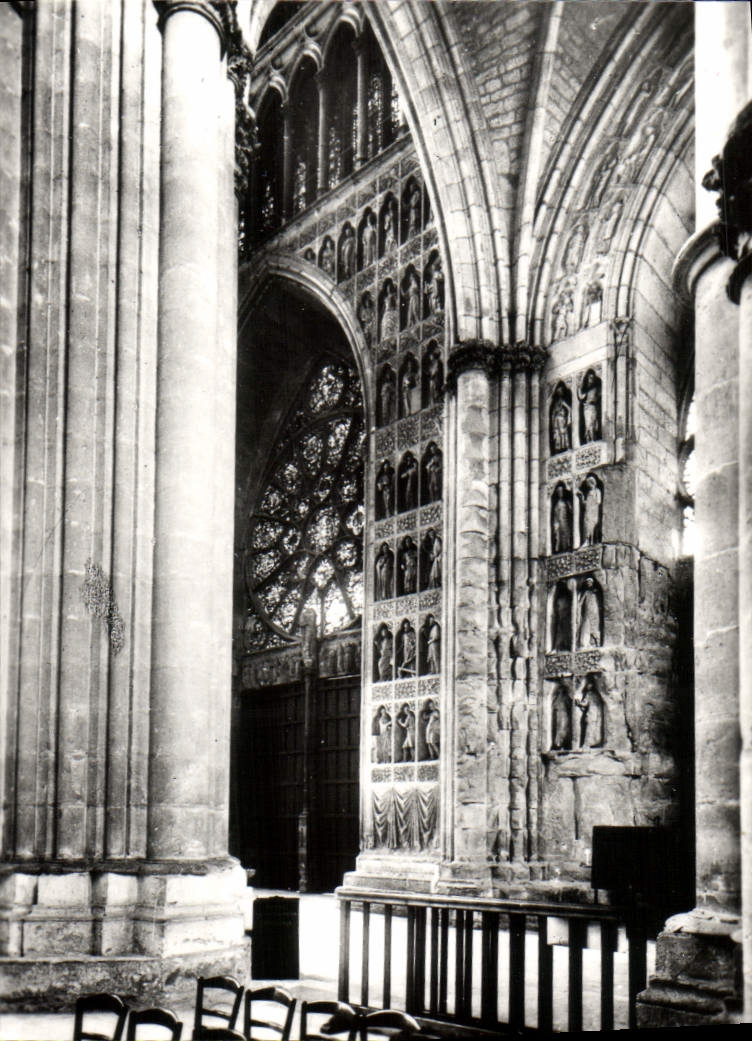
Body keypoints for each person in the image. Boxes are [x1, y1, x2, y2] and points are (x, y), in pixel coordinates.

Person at [577, 577, 601, 648]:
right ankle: (586, 643)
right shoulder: (586, 593)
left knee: (595, 627)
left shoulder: (595, 592)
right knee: (587, 627)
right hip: (588, 612)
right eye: (587, 583)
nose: (589, 584)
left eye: (590, 583)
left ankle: (597, 643)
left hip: (595, 612)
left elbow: (599, 602)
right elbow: (581, 602)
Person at [578, 370, 601, 442]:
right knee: (588, 424)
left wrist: (595, 400)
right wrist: (579, 388)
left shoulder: (596, 388)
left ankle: (593, 438)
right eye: (590, 378)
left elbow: (599, 395)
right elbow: (581, 396)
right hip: (587, 408)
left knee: (594, 423)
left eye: (592, 378)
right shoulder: (586, 390)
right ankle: (589, 440)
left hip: (593, 407)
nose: (591, 379)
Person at [578, 475, 602, 546]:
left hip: (593, 511)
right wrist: (582, 498)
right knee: (586, 525)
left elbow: (598, 501)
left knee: (591, 526)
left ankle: (591, 541)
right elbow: (585, 503)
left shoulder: (597, 491)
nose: (588, 486)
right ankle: (586, 541)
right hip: (588, 511)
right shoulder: (589, 492)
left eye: (588, 484)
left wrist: (591, 504)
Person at [551, 485, 572, 553]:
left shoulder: (566, 502)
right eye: (559, 492)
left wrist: (569, 506)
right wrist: (555, 523)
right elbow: (555, 514)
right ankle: (559, 549)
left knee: (565, 534)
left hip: (565, 520)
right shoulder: (556, 504)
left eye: (561, 492)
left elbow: (570, 511)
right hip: (558, 521)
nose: (560, 493)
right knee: (558, 535)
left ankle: (566, 548)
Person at [550, 388, 571, 452]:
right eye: (558, 392)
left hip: (561, 419)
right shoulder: (555, 403)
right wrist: (553, 421)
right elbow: (553, 413)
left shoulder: (562, 401)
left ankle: (565, 446)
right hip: (556, 420)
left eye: (560, 392)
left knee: (562, 432)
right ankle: (558, 448)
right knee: (557, 433)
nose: (559, 393)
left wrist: (569, 417)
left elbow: (569, 408)